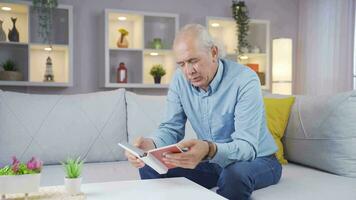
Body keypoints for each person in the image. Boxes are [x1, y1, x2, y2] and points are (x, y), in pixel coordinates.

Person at [124, 24, 282, 200]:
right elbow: (170, 128)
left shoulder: (245, 80)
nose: (188, 71)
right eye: (182, 64)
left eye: (193, 61)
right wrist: (150, 146)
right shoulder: (179, 79)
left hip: (258, 159)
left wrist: (209, 149)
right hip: (211, 160)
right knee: (151, 165)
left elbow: (247, 147)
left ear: (213, 53)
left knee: (234, 176)